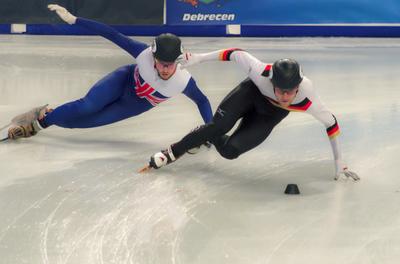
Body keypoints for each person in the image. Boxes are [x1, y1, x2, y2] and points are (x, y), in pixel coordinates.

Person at [143, 49, 360, 181]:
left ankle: (205, 135)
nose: (285, 96)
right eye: (280, 89)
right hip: (250, 93)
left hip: (270, 115)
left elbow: (331, 124)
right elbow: (235, 53)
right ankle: (171, 152)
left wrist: (340, 162)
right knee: (220, 125)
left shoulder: (308, 95)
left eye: (290, 91)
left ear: (298, 87)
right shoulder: (260, 72)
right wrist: (199, 58)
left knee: (229, 151)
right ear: (271, 81)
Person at [6, 4, 212, 140]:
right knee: (86, 107)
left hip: (135, 104)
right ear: (153, 58)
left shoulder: (183, 81)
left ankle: (48, 113)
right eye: (161, 63)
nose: (166, 69)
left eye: (170, 64)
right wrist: (74, 19)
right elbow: (111, 34)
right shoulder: (143, 53)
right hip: (123, 80)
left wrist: (212, 130)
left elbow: (202, 101)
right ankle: (35, 125)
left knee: (81, 123)